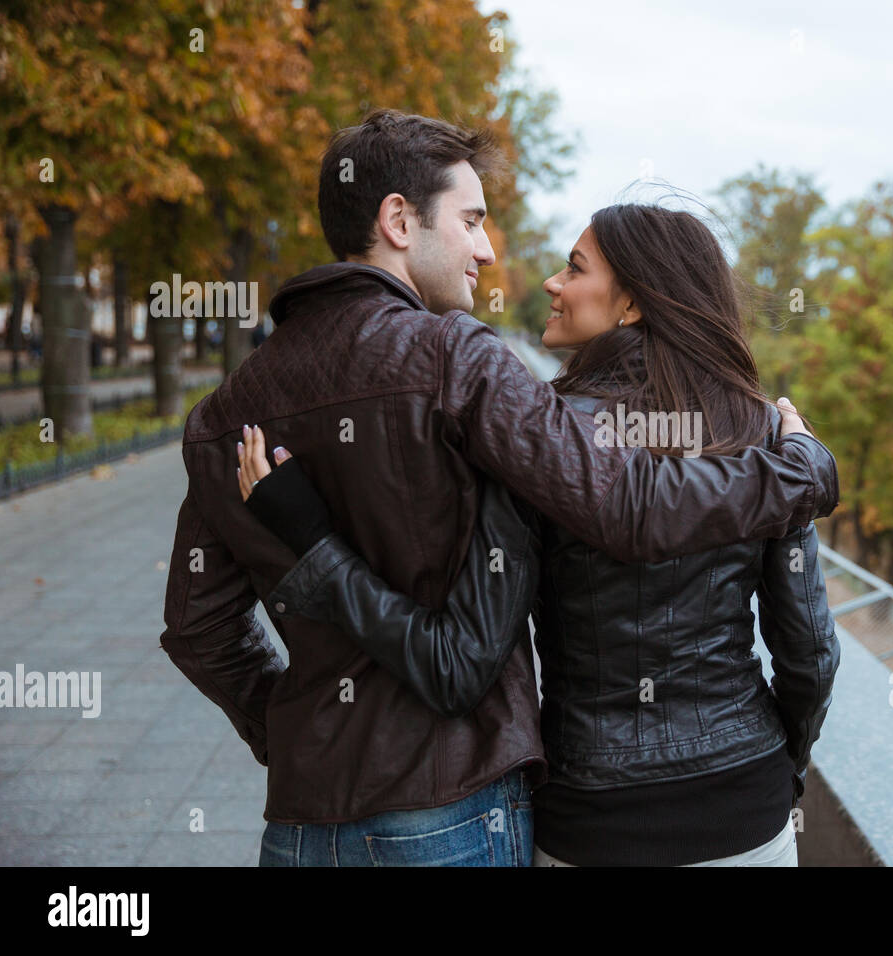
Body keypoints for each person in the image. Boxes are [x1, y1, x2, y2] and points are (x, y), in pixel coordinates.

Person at [158, 109, 840, 867]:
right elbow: (630, 513)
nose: (488, 250)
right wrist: (801, 467)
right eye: (472, 220)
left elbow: (199, 631)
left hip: (310, 821)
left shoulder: (225, 412)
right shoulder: (462, 361)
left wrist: (290, 733)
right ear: (397, 220)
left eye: (572, 266)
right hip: (465, 812)